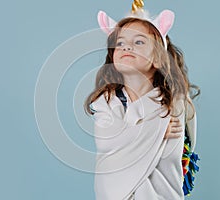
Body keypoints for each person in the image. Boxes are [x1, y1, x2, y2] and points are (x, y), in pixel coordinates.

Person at [84, 8, 199, 200]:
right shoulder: (106, 102)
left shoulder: (173, 103)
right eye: (120, 43)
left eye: (138, 42)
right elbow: (108, 146)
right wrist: (156, 130)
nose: (126, 47)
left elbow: (178, 149)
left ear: (157, 58)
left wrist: (134, 133)